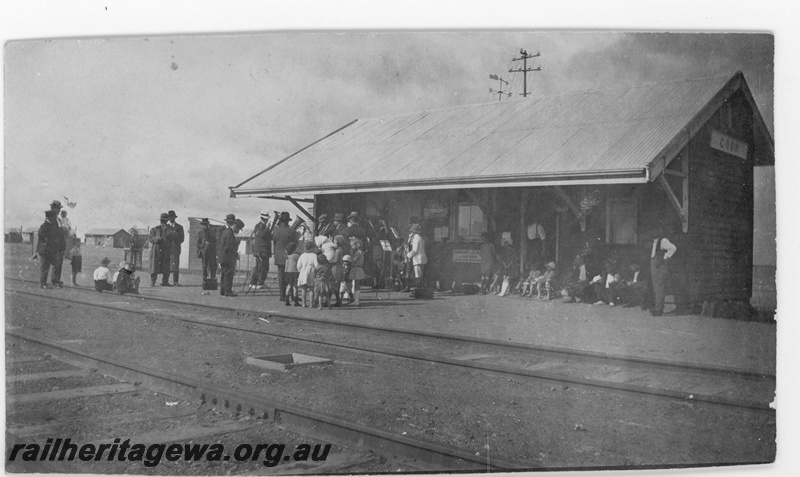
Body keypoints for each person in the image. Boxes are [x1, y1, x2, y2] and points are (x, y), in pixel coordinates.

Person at [36, 210, 67, 289]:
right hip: (45, 250)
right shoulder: (44, 225)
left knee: (56, 265)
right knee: (45, 267)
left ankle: (54, 281)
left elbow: (61, 233)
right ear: (49, 217)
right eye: (53, 217)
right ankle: (43, 283)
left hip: (53, 250)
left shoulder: (54, 225)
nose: (54, 218)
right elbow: (41, 236)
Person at [650, 228, 677, 316]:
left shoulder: (663, 240)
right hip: (653, 264)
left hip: (660, 266)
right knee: (656, 288)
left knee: (660, 287)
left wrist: (665, 257)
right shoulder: (653, 241)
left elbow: (673, 248)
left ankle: (659, 310)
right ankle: (657, 307)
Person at [272, 212, 296, 302]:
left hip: (279, 256)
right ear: (288, 221)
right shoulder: (291, 231)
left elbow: (274, 243)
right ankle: (291, 295)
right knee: (291, 276)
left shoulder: (276, 231)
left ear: (281, 221)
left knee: (281, 276)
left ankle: (282, 296)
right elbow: (295, 244)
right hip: (289, 256)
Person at [148, 213, 175, 287]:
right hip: (156, 250)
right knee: (154, 266)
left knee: (166, 265)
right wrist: (158, 239)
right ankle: (153, 282)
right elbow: (150, 238)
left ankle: (165, 282)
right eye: (162, 221)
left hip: (166, 249)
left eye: (165, 221)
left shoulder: (170, 229)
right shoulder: (154, 229)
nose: (163, 222)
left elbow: (174, 236)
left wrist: (169, 231)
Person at [218, 214, 242, 297]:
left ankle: (223, 290)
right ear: (234, 225)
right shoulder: (229, 233)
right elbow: (229, 246)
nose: (238, 231)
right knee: (228, 274)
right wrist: (235, 254)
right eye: (238, 229)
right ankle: (228, 291)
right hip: (228, 258)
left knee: (224, 274)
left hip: (223, 257)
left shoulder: (226, 231)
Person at [249, 211, 273, 290]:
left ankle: (261, 282)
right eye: (266, 219)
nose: (267, 220)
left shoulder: (263, 226)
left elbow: (268, 237)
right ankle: (253, 283)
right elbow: (262, 235)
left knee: (265, 267)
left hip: (265, 250)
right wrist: (268, 228)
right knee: (259, 267)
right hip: (261, 251)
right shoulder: (259, 226)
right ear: (262, 218)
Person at [296, 241, 318, 307]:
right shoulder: (314, 255)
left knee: (303, 289)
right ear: (312, 248)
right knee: (311, 289)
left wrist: (301, 270)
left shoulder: (302, 255)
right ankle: (311, 304)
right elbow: (316, 265)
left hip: (303, 272)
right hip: (311, 272)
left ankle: (303, 304)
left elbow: (298, 265)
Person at [406, 223, 427, 290]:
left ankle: (419, 290)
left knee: (418, 275)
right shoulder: (420, 238)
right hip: (421, 258)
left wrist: (408, 255)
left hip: (418, 259)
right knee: (420, 275)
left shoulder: (416, 238)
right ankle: (420, 289)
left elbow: (415, 250)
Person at [195, 218, 217, 282]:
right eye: (204, 224)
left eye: (206, 224)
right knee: (204, 265)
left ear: (208, 225)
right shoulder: (199, 232)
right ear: (202, 225)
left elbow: (215, 241)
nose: (205, 226)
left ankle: (213, 278)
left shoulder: (212, 232)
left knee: (212, 265)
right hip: (204, 250)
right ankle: (205, 278)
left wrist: (211, 245)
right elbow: (197, 243)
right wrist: (203, 246)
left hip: (212, 250)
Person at [166, 210, 185, 286]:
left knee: (175, 265)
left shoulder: (180, 227)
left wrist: (175, 237)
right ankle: (165, 281)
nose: (170, 219)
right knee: (166, 264)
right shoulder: (166, 227)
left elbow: (182, 239)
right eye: (169, 217)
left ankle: (175, 281)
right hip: (167, 249)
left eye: (172, 217)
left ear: (175, 217)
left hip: (175, 249)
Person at [329, 235, 346, 306]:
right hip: (338, 268)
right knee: (335, 286)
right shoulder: (339, 249)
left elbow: (335, 260)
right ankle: (337, 301)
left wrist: (328, 261)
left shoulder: (338, 250)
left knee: (333, 285)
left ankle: (329, 300)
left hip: (336, 268)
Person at [349, 238, 366, 306]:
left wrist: (351, 254)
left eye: (352, 245)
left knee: (357, 285)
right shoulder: (360, 252)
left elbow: (353, 260)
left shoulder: (357, 253)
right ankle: (356, 299)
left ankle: (357, 300)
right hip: (358, 268)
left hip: (357, 268)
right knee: (356, 285)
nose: (351, 247)